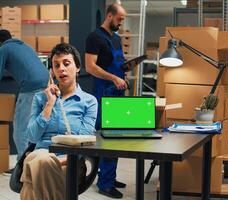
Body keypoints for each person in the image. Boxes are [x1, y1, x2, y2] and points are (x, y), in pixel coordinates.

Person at [19, 43, 97, 200]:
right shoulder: (41, 98)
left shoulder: (89, 101)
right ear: (52, 72)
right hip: (41, 155)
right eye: (56, 65)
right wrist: (49, 104)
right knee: (41, 160)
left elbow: (83, 140)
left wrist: (59, 160)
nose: (61, 68)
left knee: (32, 182)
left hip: (70, 162)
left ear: (77, 68)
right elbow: (32, 137)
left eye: (66, 63)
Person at [0, 30, 49, 174]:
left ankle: (22, 168)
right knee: (40, 128)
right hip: (47, 86)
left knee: (20, 131)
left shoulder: (2, 50)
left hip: (30, 88)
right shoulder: (25, 46)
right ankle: (40, 164)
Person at [85, 3, 127, 199]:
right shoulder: (95, 37)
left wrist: (125, 71)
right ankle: (105, 184)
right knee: (107, 136)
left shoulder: (117, 39)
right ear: (109, 16)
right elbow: (90, 67)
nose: (121, 23)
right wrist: (113, 78)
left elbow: (117, 65)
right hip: (104, 93)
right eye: (119, 19)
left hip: (118, 91)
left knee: (117, 134)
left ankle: (109, 176)